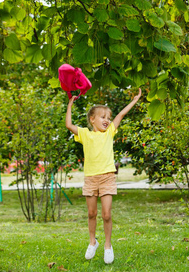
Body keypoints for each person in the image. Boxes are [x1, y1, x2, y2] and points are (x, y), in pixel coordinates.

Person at [65, 88, 142, 264]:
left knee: (106, 214)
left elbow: (121, 115)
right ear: (92, 119)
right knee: (92, 213)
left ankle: (108, 246)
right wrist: (70, 103)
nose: (107, 120)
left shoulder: (109, 132)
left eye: (108, 118)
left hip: (107, 176)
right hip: (91, 178)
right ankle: (93, 242)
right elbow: (69, 125)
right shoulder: (84, 133)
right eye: (102, 117)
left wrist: (135, 100)